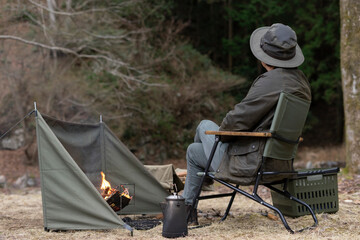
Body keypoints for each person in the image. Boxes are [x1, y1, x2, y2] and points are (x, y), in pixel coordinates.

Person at [182, 23, 312, 224]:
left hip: (252, 165)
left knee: (204, 125)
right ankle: (187, 209)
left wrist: (224, 133)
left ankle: (190, 204)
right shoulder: (301, 82)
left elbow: (235, 122)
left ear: (263, 58)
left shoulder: (271, 81)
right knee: (194, 151)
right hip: (281, 163)